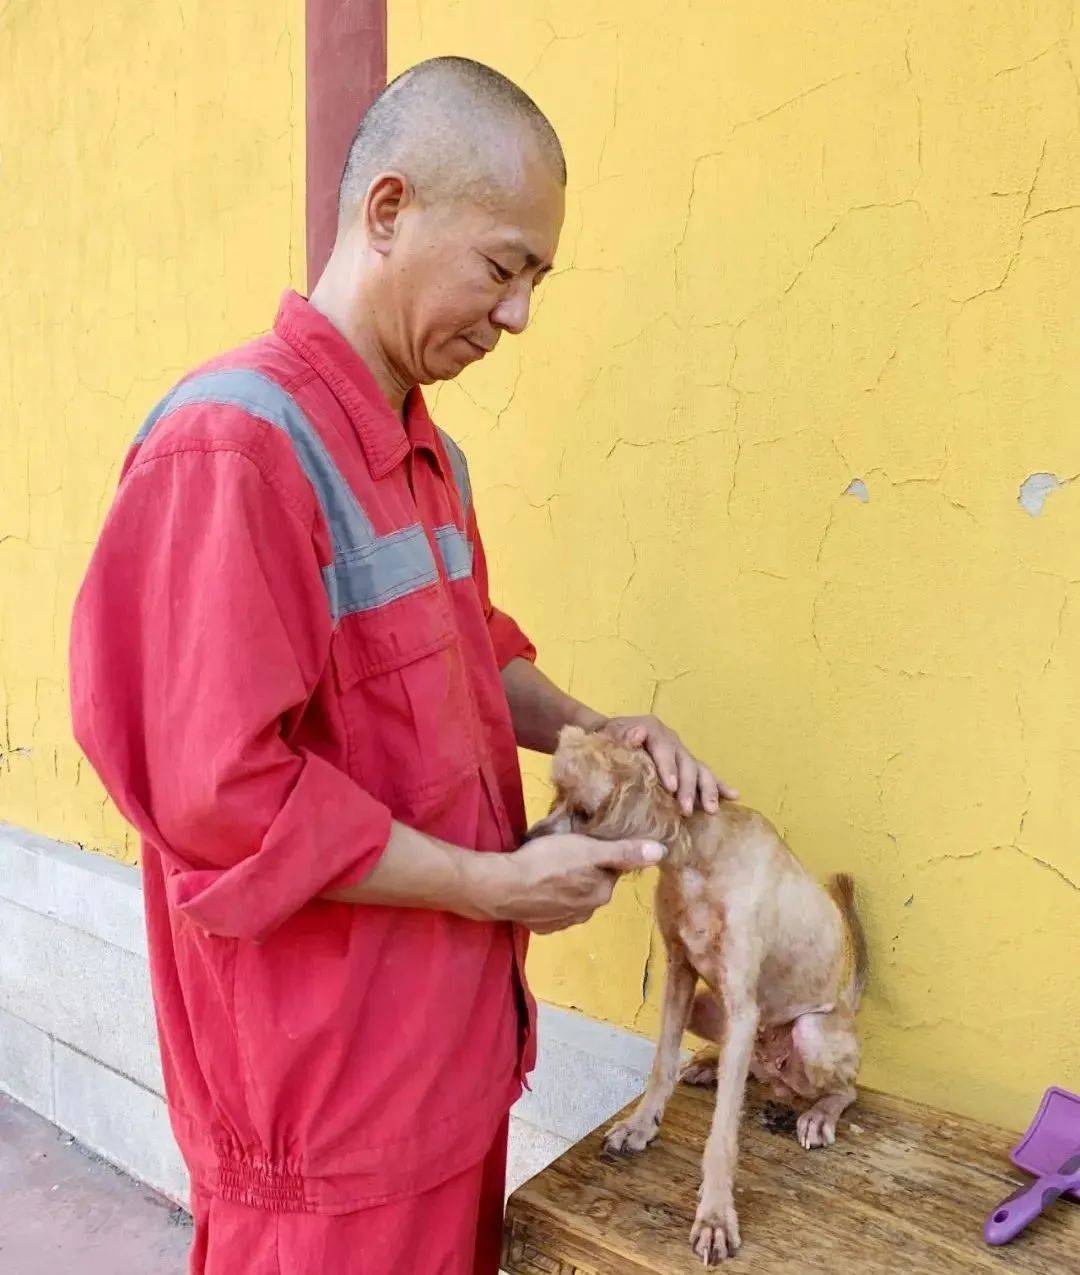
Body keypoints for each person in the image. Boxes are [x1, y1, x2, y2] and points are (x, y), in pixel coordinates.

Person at [70, 57, 735, 1275]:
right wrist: (492, 888)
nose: (521, 313)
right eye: (502, 266)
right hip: (323, 1126)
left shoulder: (427, 456)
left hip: (449, 1075)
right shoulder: (233, 448)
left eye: (537, 279)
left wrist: (596, 723)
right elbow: (226, 797)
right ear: (388, 211)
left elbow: (468, 652)